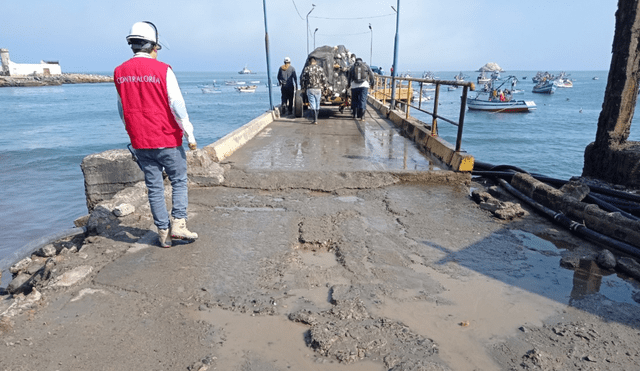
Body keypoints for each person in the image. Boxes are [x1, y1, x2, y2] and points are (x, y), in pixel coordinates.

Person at [114, 21, 198, 248]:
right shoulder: (163, 70)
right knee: (179, 180)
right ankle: (179, 223)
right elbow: (177, 105)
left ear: (132, 45)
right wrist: (189, 133)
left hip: (140, 142)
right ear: (153, 46)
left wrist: (131, 130)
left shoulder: (120, 72)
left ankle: (163, 233)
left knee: (154, 187)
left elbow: (122, 108)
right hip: (166, 139)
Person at [300, 56, 326, 125]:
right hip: (318, 89)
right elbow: (323, 79)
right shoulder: (320, 69)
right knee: (317, 103)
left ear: (309, 62)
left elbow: (303, 79)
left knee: (312, 104)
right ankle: (316, 119)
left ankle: (314, 119)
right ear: (315, 62)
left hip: (310, 89)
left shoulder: (307, 69)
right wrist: (325, 87)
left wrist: (303, 87)